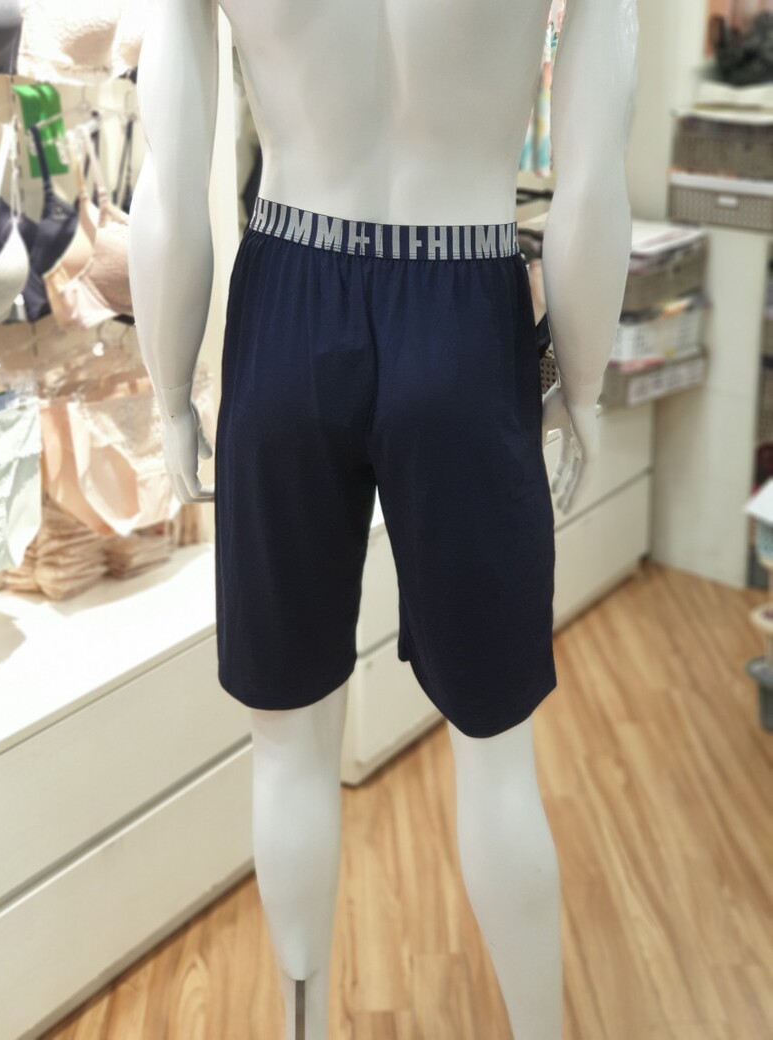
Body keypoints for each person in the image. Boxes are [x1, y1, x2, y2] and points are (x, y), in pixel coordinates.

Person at [129, 2, 638, 1037]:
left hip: (288, 300)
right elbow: (592, 183)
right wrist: (578, 382)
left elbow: (170, 182)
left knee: (287, 746)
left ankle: (303, 1028)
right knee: (497, 752)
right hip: (464, 305)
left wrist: (170, 388)